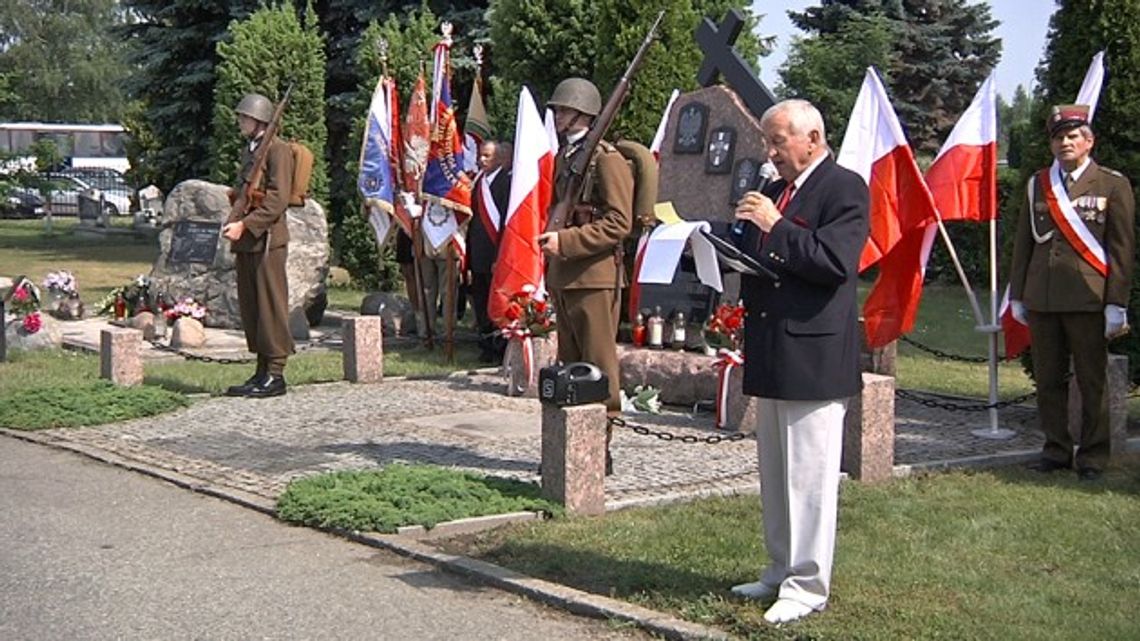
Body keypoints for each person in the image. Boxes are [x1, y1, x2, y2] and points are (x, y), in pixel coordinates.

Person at [728, 99, 869, 624]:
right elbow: (764, 256)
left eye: (778, 142)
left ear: (812, 138)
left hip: (814, 350)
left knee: (809, 475)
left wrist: (777, 223)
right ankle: (779, 567)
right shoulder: (772, 190)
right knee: (776, 471)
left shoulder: (844, 187)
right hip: (772, 342)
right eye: (768, 142)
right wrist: (724, 243)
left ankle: (808, 584)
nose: (770, 153)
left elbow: (834, 262)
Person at [1009, 104, 1135, 481]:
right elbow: (1023, 244)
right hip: (1043, 297)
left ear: (1088, 141)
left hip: (1087, 298)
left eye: (1072, 136)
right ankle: (1056, 450)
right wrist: (1018, 294)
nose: (1064, 143)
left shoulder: (1112, 184)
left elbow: (1122, 249)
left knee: (1090, 378)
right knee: (1048, 379)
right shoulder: (1038, 183)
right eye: (1058, 137)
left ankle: (1093, 455)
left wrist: (1116, 302)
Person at [537, 77, 633, 476]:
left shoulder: (605, 159)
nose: (558, 115)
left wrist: (568, 241)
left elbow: (619, 223)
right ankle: (571, 449)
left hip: (594, 276)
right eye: (557, 109)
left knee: (597, 368)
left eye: (564, 110)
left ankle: (597, 452)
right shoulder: (568, 156)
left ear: (584, 113)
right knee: (569, 368)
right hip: (567, 276)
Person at [222, 92, 295, 398]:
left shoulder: (277, 151)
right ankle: (262, 369)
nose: (240, 121)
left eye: (244, 117)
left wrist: (245, 225)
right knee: (253, 308)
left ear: (259, 120)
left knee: (271, 306)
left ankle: (276, 373)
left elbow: (277, 200)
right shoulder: (252, 150)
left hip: (267, 240)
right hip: (249, 242)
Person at [468, 140, 512, 362]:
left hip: (495, 251)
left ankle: (499, 345)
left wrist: (499, 256)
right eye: (480, 155)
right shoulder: (478, 182)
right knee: (480, 298)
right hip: (477, 251)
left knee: (497, 300)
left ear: (499, 159)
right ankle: (485, 343)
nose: (481, 160)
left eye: (487, 156)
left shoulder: (506, 183)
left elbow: (505, 222)